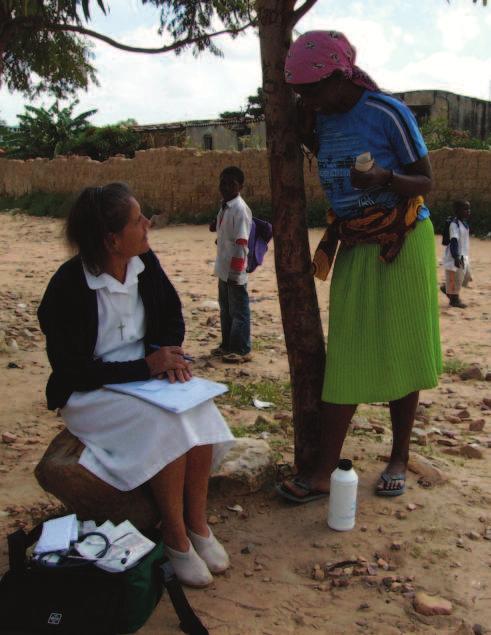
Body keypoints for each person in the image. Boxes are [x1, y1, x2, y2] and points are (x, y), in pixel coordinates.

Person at [37, 182, 235, 587]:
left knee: (199, 408)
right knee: (168, 425)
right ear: (112, 239)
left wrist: (169, 354)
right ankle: (176, 540)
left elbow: (171, 315)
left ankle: (198, 525)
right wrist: (146, 368)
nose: (148, 224)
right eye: (137, 220)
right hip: (92, 391)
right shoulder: (67, 288)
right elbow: (72, 370)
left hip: (142, 378)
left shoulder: (145, 264)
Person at [277, 30, 442, 501]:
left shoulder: (388, 113)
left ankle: (398, 456)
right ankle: (324, 469)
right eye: (300, 93)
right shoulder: (319, 117)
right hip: (354, 241)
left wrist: (384, 177)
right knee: (346, 353)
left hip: (402, 240)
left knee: (404, 347)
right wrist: (305, 114)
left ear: (340, 76)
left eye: (312, 89)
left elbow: (427, 180)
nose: (306, 100)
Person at [209, 166, 253, 363]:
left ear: (240, 186)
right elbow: (225, 234)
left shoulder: (239, 209)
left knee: (239, 311)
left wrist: (236, 272)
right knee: (226, 309)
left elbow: (242, 243)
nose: (225, 187)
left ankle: (241, 348)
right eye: (222, 183)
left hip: (234, 270)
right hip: (223, 268)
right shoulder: (225, 206)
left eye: (231, 184)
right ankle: (227, 344)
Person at [440, 199, 472, 309]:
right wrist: (456, 257)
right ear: (456, 211)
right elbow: (454, 241)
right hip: (456, 256)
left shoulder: (464, 223)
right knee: (457, 278)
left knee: (465, 277)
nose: (468, 211)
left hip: (464, 256)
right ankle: (454, 300)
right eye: (465, 209)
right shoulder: (454, 225)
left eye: (469, 209)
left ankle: (447, 288)